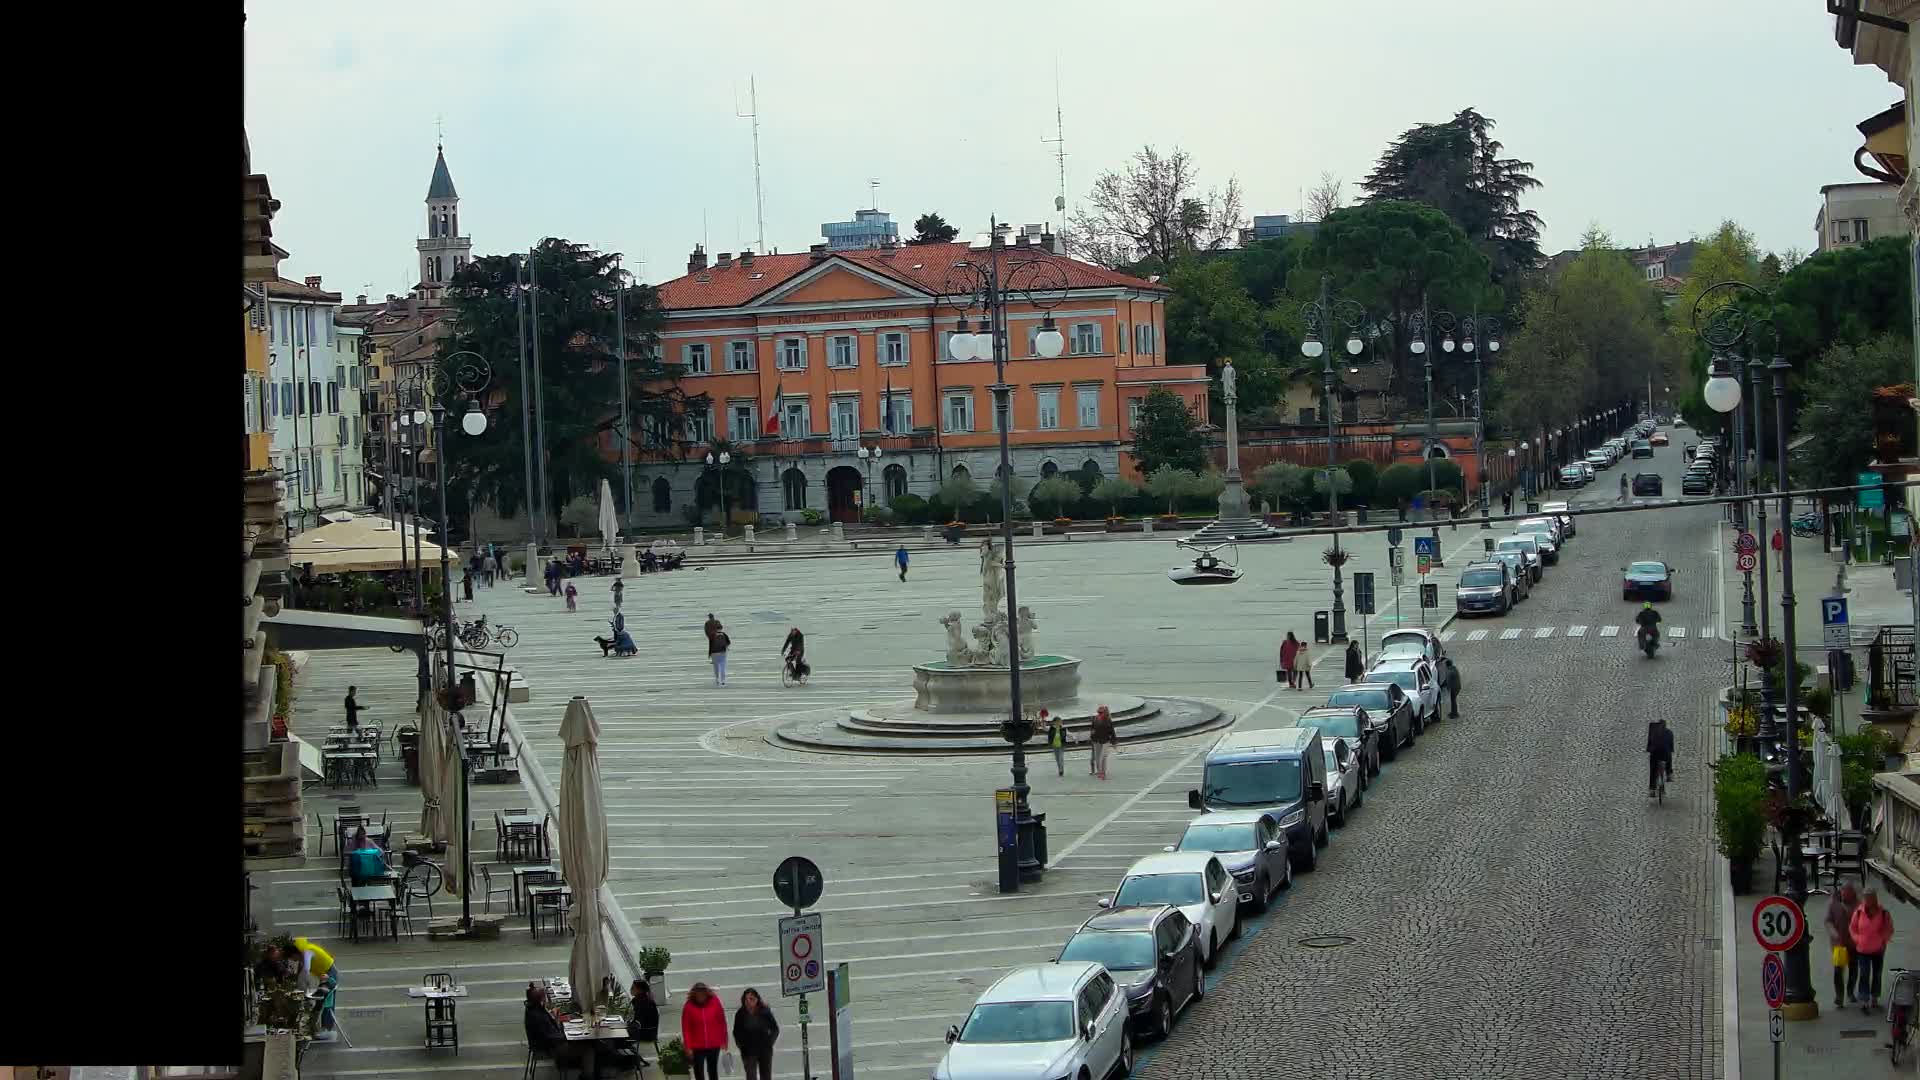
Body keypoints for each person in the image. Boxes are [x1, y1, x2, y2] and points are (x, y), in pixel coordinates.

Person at [524, 984, 586, 1073]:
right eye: (544, 997)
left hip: (544, 1045)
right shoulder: (538, 1016)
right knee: (588, 1048)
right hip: (549, 1048)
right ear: (540, 999)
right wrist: (567, 1037)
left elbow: (548, 1030)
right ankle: (586, 1075)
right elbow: (550, 1036)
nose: (546, 999)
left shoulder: (532, 1010)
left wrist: (553, 1017)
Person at [1851, 889, 1895, 1013]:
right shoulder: (1859, 912)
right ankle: (1864, 1001)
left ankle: (1875, 997)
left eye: (1871, 898)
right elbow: (1853, 928)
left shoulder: (1884, 913)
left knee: (1877, 974)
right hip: (1863, 949)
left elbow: (1889, 928)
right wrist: (1857, 939)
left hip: (1878, 950)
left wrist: (1883, 940)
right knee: (1864, 974)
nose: (1869, 901)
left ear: (1875, 899)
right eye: (1867, 899)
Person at [680, 981, 730, 1080]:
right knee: (698, 1072)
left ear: (706, 993)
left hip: (714, 1044)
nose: (700, 996)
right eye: (698, 993)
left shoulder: (715, 1001)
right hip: (697, 1047)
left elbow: (721, 1021)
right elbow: (686, 1028)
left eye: (702, 993)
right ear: (694, 994)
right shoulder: (688, 1006)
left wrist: (724, 1039)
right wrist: (688, 1047)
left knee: (713, 1071)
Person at [291, 936, 339, 1039]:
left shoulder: (307, 952)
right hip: (325, 973)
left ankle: (327, 1029)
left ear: (295, 953)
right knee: (321, 1002)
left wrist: (304, 990)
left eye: (292, 957)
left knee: (325, 1002)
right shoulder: (304, 953)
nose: (293, 960)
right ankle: (319, 1028)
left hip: (329, 975)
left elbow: (305, 973)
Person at [732, 987, 780, 1080]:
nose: (748, 1002)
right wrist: (741, 1045)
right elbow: (736, 1032)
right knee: (751, 1076)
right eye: (746, 999)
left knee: (766, 1076)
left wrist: (769, 1042)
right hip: (748, 1051)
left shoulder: (764, 1011)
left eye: (751, 999)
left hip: (765, 1050)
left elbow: (775, 1029)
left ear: (757, 999)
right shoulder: (740, 1014)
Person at [1827, 883, 1860, 1009]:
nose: (1845, 894)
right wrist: (1833, 932)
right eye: (1843, 892)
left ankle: (1850, 991)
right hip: (1839, 945)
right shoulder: (1834, 904)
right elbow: (1828, 920)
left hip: (1853, 944)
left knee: (1853, 968)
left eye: (1848, 892)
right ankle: (1839, 996)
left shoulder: (1859, 905)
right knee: (1838, 971)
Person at [626, 979, 661, 1067]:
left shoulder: (645, 1002)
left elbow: (639, 1021)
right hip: (641, 1029)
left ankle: (633, 1059)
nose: (631, 989)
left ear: (640, 990)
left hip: (646, 1032)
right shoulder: (637, 1000)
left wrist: (627, 1026)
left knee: (620, 1039)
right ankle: (634, 1058)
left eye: (633, 988)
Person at [1644, 718, 1675, 797]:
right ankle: (1669, 774)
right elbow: (1671, 747)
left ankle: (1652, 789)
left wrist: (1649, 750)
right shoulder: (1669, 732)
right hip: (1665, 755)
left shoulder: (1653, 732)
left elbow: (1649, 744)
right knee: (1669, 756)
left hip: (1655, 754)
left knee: (1653, 770)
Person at [1089, 705, 1117, 781]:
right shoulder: (1095, 719)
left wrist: (1114, 742)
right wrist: (1091, 736)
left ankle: (1102, 772)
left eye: (1101, 711)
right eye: (1099, 711)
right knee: (1098, 757)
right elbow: (1092, 729)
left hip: (1105, 740)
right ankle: (1100, 771)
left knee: (1103, 756)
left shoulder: (1108, 720)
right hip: (1096, 740)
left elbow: (1112, 731)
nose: (1100, 713)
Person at [709, 620, 732, 687]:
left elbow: (710, 646)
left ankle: (717, 679)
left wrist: (710, 655)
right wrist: (726, 648)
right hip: (722, 653)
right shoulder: (724, 635)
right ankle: (723, 681)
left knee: (716, 667)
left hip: (714, 654)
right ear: (721, 628)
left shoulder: (712, 636)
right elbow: (728, 643)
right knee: (722, 667)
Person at [1045, 710, 1067, 777]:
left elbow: (1069, 734)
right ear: (1055, 722)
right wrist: (1043, 720)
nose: (1060, 722)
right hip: (1054, 746)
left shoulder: (1063, 728)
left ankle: (1061, 771)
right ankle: (1060, 769)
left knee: (1061, 758)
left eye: (1060, 721)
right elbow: (1044, 728)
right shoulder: (1051, 728)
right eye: (1058, 721)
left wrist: (1074, 738)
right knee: (1057, 759)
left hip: (1061, 746)